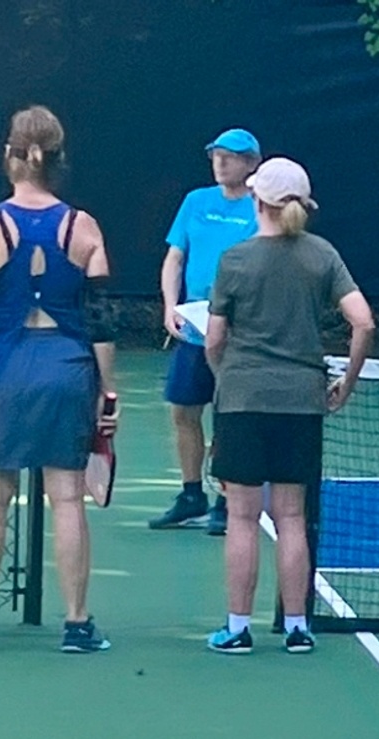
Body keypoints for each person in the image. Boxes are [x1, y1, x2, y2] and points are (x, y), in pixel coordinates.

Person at [0, 106, 117, 654]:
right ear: (59, 161)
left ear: (9, 156)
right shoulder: (83, 226)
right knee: (68, 498)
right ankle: (78, 624)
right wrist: (107, 395)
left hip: (1, 368)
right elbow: (100, 318)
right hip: (67, 368)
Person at [204, 157, 374, 655]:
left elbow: (214, 339)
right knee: (291, 516)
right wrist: (348, 381)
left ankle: (237, 628)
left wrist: (227, 379)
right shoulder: (322, 255)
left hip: (243, 399)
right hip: (302, 401)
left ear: (258, 201)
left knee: (241, 517)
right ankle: (298, 627)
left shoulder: (235, 260)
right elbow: (364, 323)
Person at [150, 129, 262, 536]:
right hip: (194, 327)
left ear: (251, 164)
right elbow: (174, 257)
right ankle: (191, 493)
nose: (220, 163)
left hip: (239, 332)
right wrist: (169, 307)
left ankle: (227, 499)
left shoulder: (260, 208)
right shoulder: (195, 202)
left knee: (229, 416)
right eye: (216, 155)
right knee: (183, 410)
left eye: (230, 157)